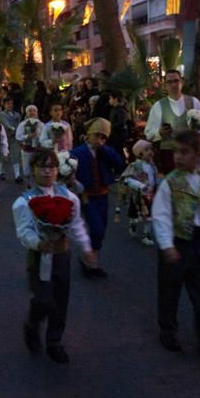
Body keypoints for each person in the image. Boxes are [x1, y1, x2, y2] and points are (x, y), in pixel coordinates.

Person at [151, 130, 200, 359]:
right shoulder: (170, 183)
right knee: (169, 288)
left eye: (184, 152)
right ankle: (168, 330)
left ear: (198, 154)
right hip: (177, 241)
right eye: (176, 151)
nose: (178, 157)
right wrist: (167, 245)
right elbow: (161, 215)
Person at [13, 148, 95, 364]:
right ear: (33, 170)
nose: (47, 172)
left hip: (62, 255)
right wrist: (39, 243)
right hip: (39, 257)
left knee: (60, 300)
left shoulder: (68, 197)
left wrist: (86, 248)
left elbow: (76, 225)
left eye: (51, 167)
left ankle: (55, 341)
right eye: (42, 167)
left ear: (58, 170)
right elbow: (24, 231)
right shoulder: (25, 201)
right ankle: (33, 323)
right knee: (43, 300)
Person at [69, 118, 123, 279]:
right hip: (87, 196)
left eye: (103, 137)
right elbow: (69, 174)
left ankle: (91, 259)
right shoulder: (77, 153)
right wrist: (76, 185)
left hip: (103, 194)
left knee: (101, 230)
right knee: (96, 227)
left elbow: (119, 163)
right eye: (97, 136)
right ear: (89, 135)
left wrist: (104, 149)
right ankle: (89, 262)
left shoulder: (106, 152)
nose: (100, 140)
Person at [144, 70, 200, 175]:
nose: (173, 84)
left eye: (176, 81)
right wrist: (159, 133)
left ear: (181, 82)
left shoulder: (193, 102)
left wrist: (197, 136)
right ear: (165, 85)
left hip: (190, 154)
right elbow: (148, 133)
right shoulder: (158, 106)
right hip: (168, 155)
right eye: (169, 82)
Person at [121, 139, 158, 246]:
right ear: (140, 153)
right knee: (134, 215)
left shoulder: (153, 166)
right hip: (138, 196)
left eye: (151, 149)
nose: (150, 152)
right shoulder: (134, 166)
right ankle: (132, 223)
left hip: (150, 195)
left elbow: (155, 179)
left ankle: (146, 235)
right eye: (147, 150)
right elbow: (127, 179)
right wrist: (140, 186)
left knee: (149, 216)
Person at [16, 105, 44, 189]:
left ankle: (36, 186)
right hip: (27, 149)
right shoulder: (23, 124)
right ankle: (29, 184)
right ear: (26, 113)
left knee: (37, 169)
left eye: (34, 111)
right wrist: (28, 136)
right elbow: (18, 136)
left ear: (37, 113)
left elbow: (44, 136)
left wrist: (38, 137)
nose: (32, 112)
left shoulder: (41, 124)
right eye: (30, 111)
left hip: (38, 150)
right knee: (27, 171)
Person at [0, 97, 23, 184]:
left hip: (14, 137)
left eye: (11, 103)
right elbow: (5, 123)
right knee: (3, 155)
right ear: (4, 105)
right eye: (8, 103)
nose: (10, 105)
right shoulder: (1, 114)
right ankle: (1, 172)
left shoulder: (17, 114)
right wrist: (11, 128)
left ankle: (17, 175)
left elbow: (20, 125)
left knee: (15, 155)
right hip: (4, 137)